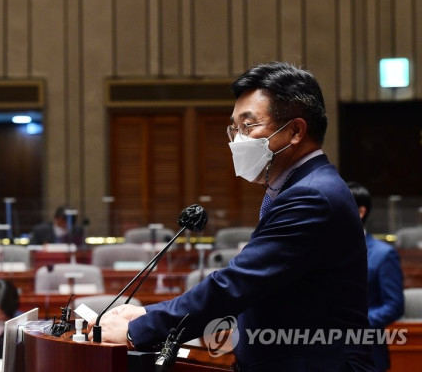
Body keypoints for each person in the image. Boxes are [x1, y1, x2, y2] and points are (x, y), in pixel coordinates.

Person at [89, 62, 375, 371]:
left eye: (248, 126)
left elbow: (236, 285)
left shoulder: (312, 196)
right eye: (234, 128)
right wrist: (147, 315)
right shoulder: (300, 187)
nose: (237, 139)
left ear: (295, 131)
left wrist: (138, 330)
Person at [348, 181, 404, 371]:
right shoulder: (326, 249)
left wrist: (355, 325)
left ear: (360, 212)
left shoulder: (384, 254)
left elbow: (394, 305)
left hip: (368, 351)